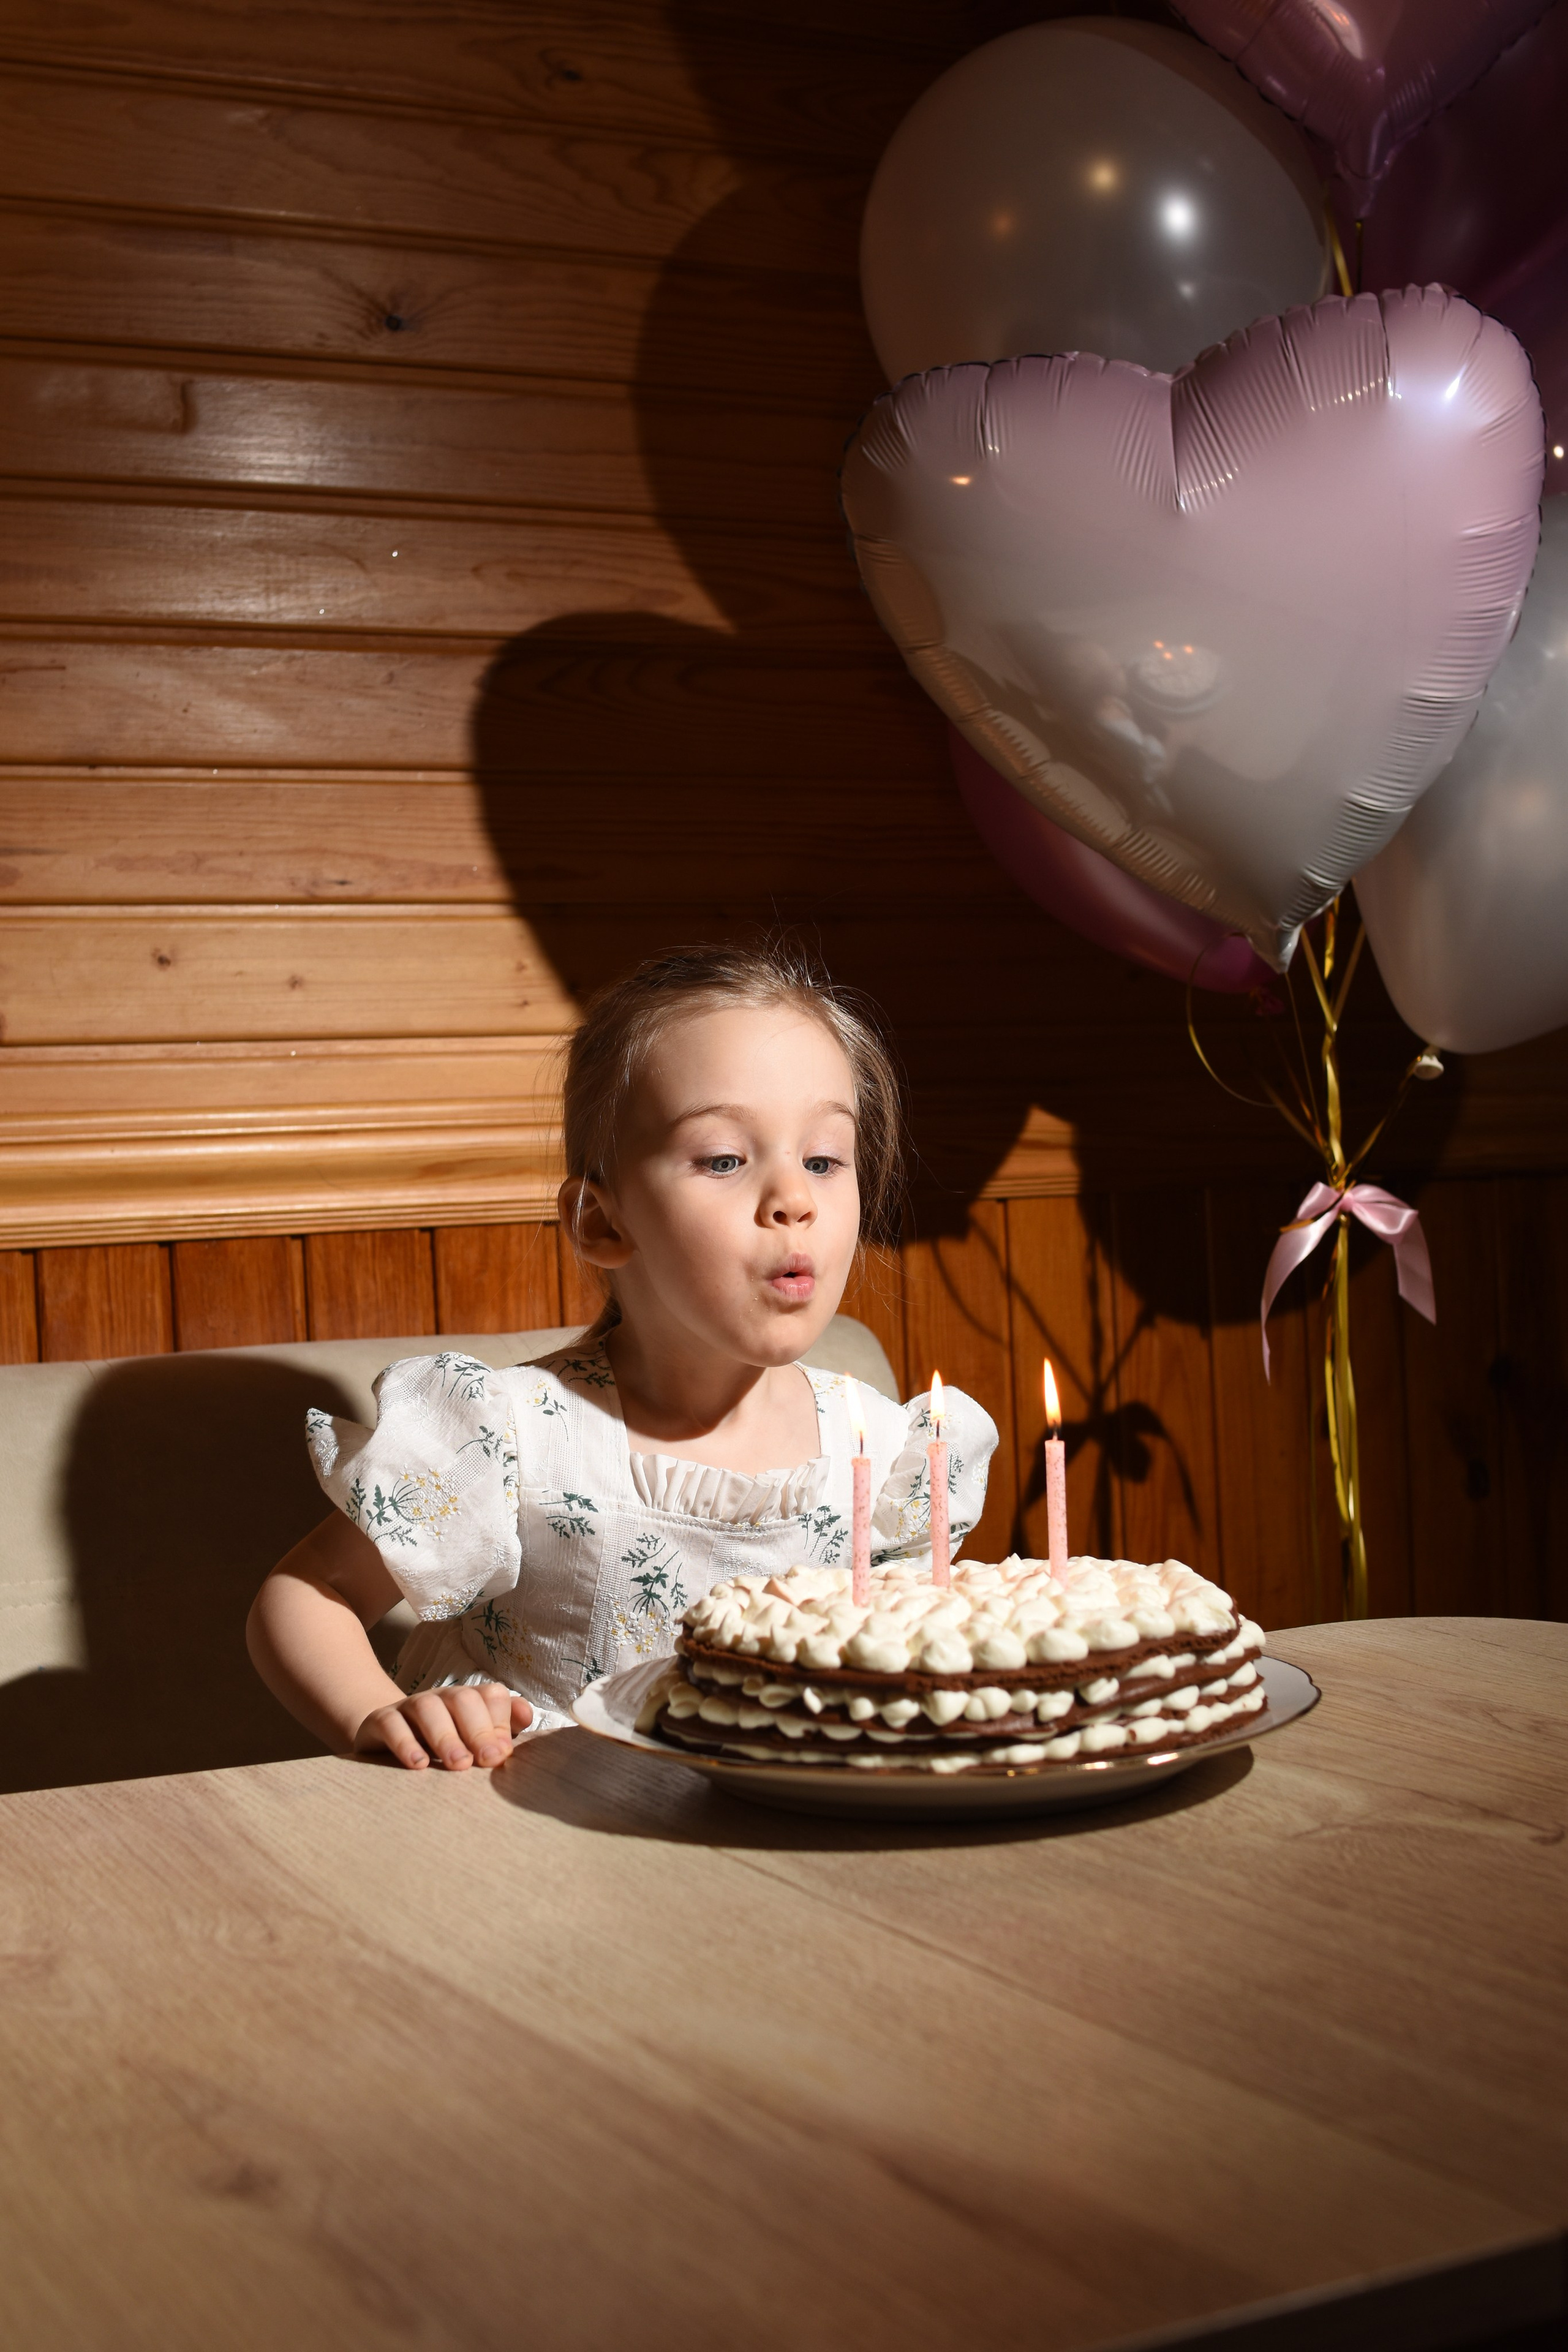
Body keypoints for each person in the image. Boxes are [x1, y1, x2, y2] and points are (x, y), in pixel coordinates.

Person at [247, 942, 998, 1770]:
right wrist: (385, 1716)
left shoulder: (887, 1459)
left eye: (824, 1160)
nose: (794, 1201)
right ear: (603, 1222)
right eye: (723, 1159)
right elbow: (308, 1596)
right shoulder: (509, 1435)